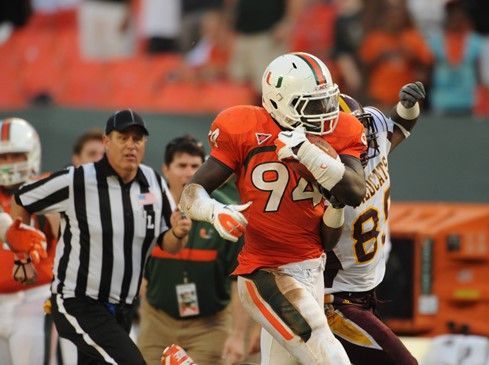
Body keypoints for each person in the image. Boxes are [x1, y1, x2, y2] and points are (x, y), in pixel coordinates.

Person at [180, 52, 368, 364]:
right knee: (329, 356)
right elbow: (190, 193)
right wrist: (214, 212)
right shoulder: (243, 126)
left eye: (325, 101)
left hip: (312, 268)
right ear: (280, 102)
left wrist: (306, 151)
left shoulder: (341, 130)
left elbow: (353, 191)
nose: (325, 113)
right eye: (312, 104)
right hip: (264, 271)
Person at [10, 109, 191, 365]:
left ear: (144, 144)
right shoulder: (79, 179)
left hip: (123, 308)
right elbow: (22, 199)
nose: (131, 145)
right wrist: (22, 257)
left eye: (137, 139)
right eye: (123, 138)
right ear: (107, 142)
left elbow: (169, 245)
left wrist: (178, 233)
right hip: (78, 301)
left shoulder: (153, 182)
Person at [323, 83, 426, 365]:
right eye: (351, 133)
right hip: (334, 300)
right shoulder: (323, 175)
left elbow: (400, 123)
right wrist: (334, 202)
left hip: (365, 290)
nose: (364, 138)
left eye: (362, 129)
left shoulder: (375, 133)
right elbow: (323, 240)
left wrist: (407, 106)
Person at [137, 135, 248, 365]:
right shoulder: (146, 208)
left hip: (209, 324)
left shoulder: (224, 213)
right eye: (181, 166)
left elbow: (239, 281)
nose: (189, 173)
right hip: (157, 319)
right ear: (166, 169)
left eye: (196, 167)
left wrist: (238, 336)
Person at [0, 117, 61, 365]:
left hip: (35, 301)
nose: (9, 164)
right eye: (3, 157)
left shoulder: (46, 188)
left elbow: (65, 231)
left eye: (15, 156)